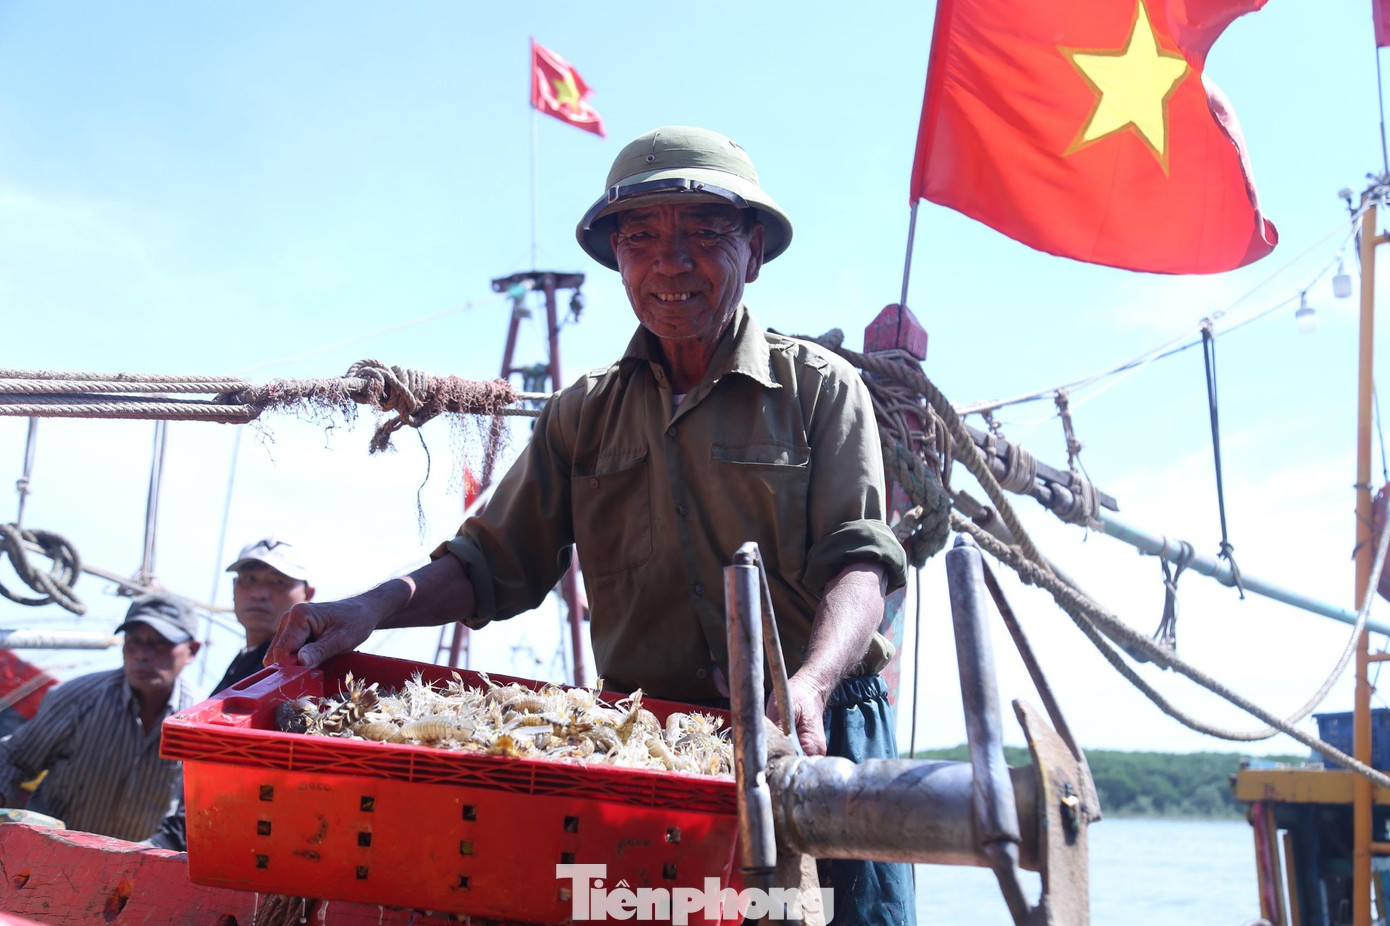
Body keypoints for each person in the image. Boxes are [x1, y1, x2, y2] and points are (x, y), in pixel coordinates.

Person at [267, 126, 915, 925]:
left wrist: (809, 684)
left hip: (820, 730)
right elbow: (488, 564)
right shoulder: (584, 414)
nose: (670, 262)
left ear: (753, 248)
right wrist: (369, 607)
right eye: (640, 237)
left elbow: (862, 564)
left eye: (704, 233)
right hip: (655, 750)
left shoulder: (821, 391)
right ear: (618, 260)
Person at [0, 593, 200, 842]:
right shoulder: (78, 697)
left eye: (159, 643)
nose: (142, 654)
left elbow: (196, 815)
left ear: (192, 651)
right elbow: (13, 757)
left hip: (138, 872)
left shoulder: (199, 722)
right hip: (47, 861)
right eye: (134, 641)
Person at [215, 535, 315, 694]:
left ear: (308, 594)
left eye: (279, 582)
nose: (259, 594)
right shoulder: (246, 659)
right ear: (234, 587)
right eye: (249, 579)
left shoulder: (305, 663)